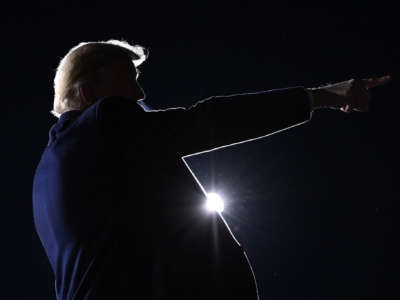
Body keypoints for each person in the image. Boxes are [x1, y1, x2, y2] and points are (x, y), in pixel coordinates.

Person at [32, 39, 391, 300]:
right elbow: (209, 121)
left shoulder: (47, 171)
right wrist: (323, 95)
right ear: (88, 92)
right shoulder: (104, 122)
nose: (139, 93)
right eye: (128, 79)